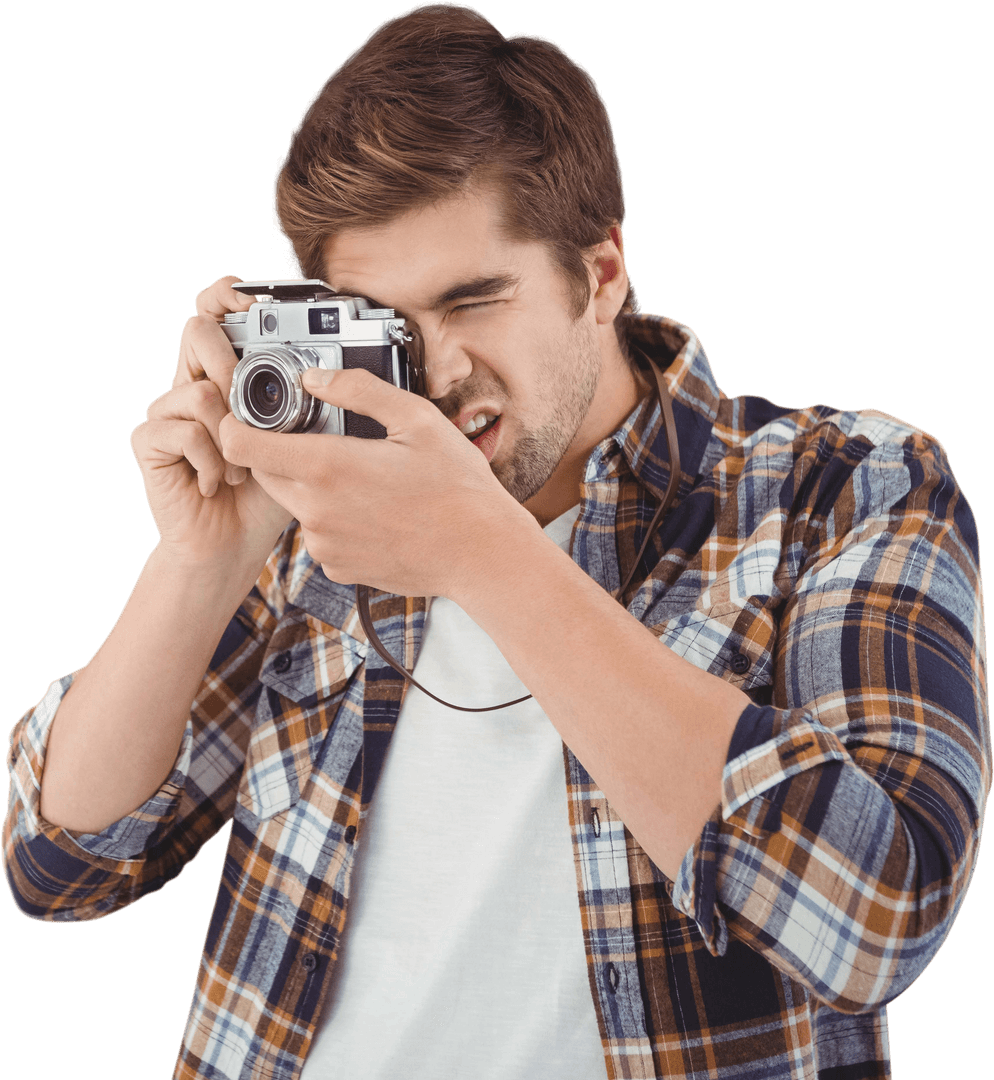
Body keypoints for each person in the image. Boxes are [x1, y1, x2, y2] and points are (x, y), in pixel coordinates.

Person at [3, 3, 988, 1078]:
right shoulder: (315, 519)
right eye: (386, 323)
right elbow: (62, 864)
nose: (436, 370)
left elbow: (880, 915)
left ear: (600, 271)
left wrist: (485, 554)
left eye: (474, 298)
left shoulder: (843, 485)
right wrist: (202, 559)